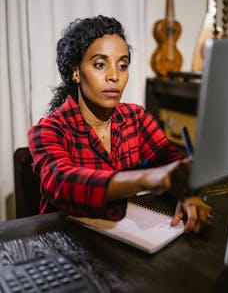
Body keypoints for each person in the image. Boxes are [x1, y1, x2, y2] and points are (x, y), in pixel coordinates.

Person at [28, 15, 212, 233]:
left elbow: (172, 163)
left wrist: (187, 193)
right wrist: (145, 178)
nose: (114, 76)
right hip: (66, 243)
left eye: (122, 65)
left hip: (123, 238)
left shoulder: (136, 118)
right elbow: (62, 184)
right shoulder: (48, 130)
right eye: (99, 64)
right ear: (76, 71)